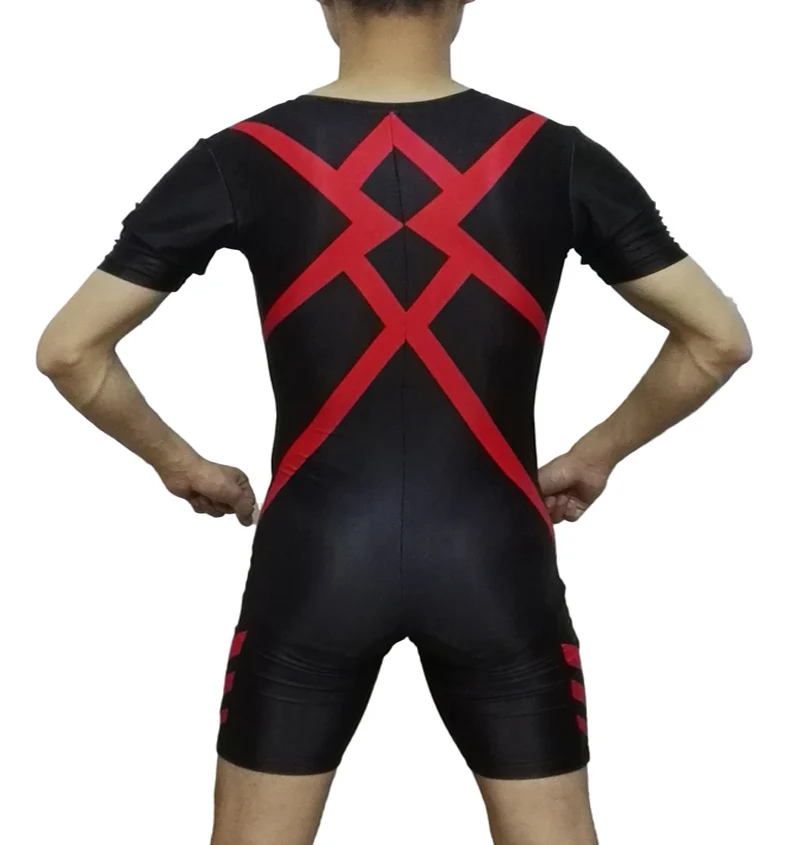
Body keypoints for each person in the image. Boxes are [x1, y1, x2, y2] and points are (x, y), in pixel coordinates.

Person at [35, 0, 753, 843]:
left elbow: (70, 351)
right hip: (495, 556)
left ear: (324, 1)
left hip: (314, 561)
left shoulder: (242, 156)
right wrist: (597, 454)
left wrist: (181, 463)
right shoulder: (555, 156)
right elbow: (718, 339)